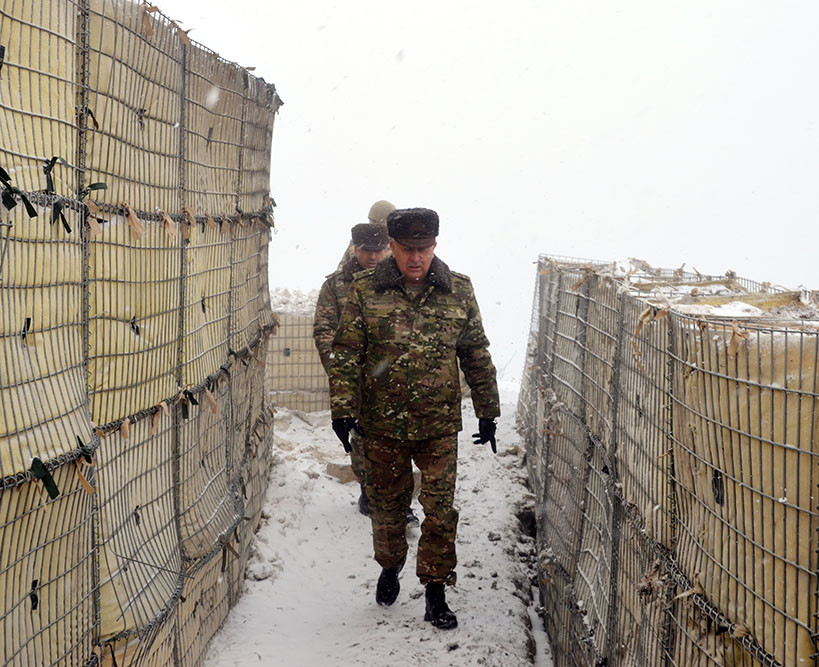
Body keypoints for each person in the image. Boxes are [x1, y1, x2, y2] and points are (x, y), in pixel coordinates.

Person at [328, 207, 500, 630]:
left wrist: (488, 411)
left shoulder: (458, 290)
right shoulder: (366, 290)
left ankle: (436, 590)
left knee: (440, 511)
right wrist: (343, 408)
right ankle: (390, 565)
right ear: (393, 247)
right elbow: (347, 351)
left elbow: (475, 354)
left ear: (435, 246)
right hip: (382, 425)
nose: (416, 258)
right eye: (408, 249)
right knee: (388, 510)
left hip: (438, 426)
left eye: (424, 249)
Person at [314, 223, 390, 515]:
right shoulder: (335, 286)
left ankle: (397, 500)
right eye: (366, 251)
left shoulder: (398, 283)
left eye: (378, 251)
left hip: (393, 377)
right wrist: (340, 372)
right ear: (354, 249)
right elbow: (324, 330)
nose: (373, 257)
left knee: (398, 440)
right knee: (362, 438)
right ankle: (368, 491)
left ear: (387, 249)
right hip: (356, 377)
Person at [337, 200, 396, 269]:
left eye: (374, 222)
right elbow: (342, 269)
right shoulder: (358, 241)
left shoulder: (398, 245)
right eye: (370, 220)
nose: (370, 224)